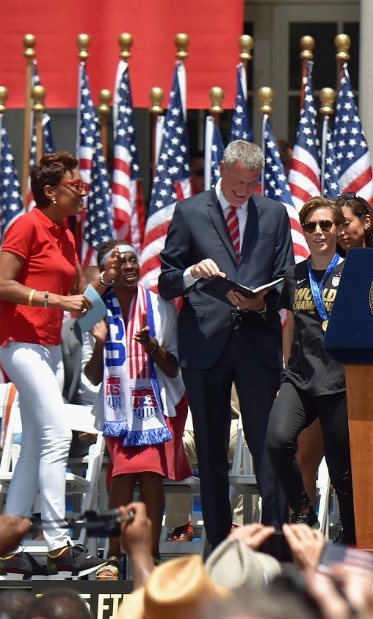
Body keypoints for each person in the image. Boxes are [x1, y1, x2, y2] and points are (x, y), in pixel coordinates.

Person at [158, 140, 295, 545]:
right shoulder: (189, 212)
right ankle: (217, 543)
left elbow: (288, 278)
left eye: (252, 184)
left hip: (257, 342)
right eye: (237, 183)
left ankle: (274, 543)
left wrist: (261, 301)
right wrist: (190, 274)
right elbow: (166, 280)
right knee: (211, 450)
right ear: (221, 169)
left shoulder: (273, 213)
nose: (243, 192)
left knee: (269, 446)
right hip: (205, 341)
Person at [0, 151, 108, 578]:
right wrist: (53, 300)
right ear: (50, 192)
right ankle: (59, 544)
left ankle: (3, 545)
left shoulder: (65, 233)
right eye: (75, 187)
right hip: (18, 345)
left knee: (37, 445)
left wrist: (101, 325)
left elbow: (80, 288)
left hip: (50, 348)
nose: (82, 193)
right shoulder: (26, 225)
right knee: (58, 434)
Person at [83, 240, 192, 580]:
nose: (130, 266)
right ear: (108, 270)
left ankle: (151, 555)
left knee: (149, 476)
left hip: (157, 405)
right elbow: (90, 375)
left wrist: (153, 346)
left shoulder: (160, 308)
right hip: (117, 408)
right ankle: (113, 557)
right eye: (120, 262)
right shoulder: (94, 310)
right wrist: (100, 344)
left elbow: (174, 368)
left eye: (133, 260)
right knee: (120, 475)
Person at [265, 196, 355, 542]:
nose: (318, 232)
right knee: (276, 441)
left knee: (341, 470)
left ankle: (352, 537)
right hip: (300, 378)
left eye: (326, 225)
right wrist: (286, 367)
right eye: (311, 226)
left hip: (339, 380)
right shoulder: (294, 275)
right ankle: (302, 507)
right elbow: (289, 324)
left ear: (338, 229)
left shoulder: (352, 272)